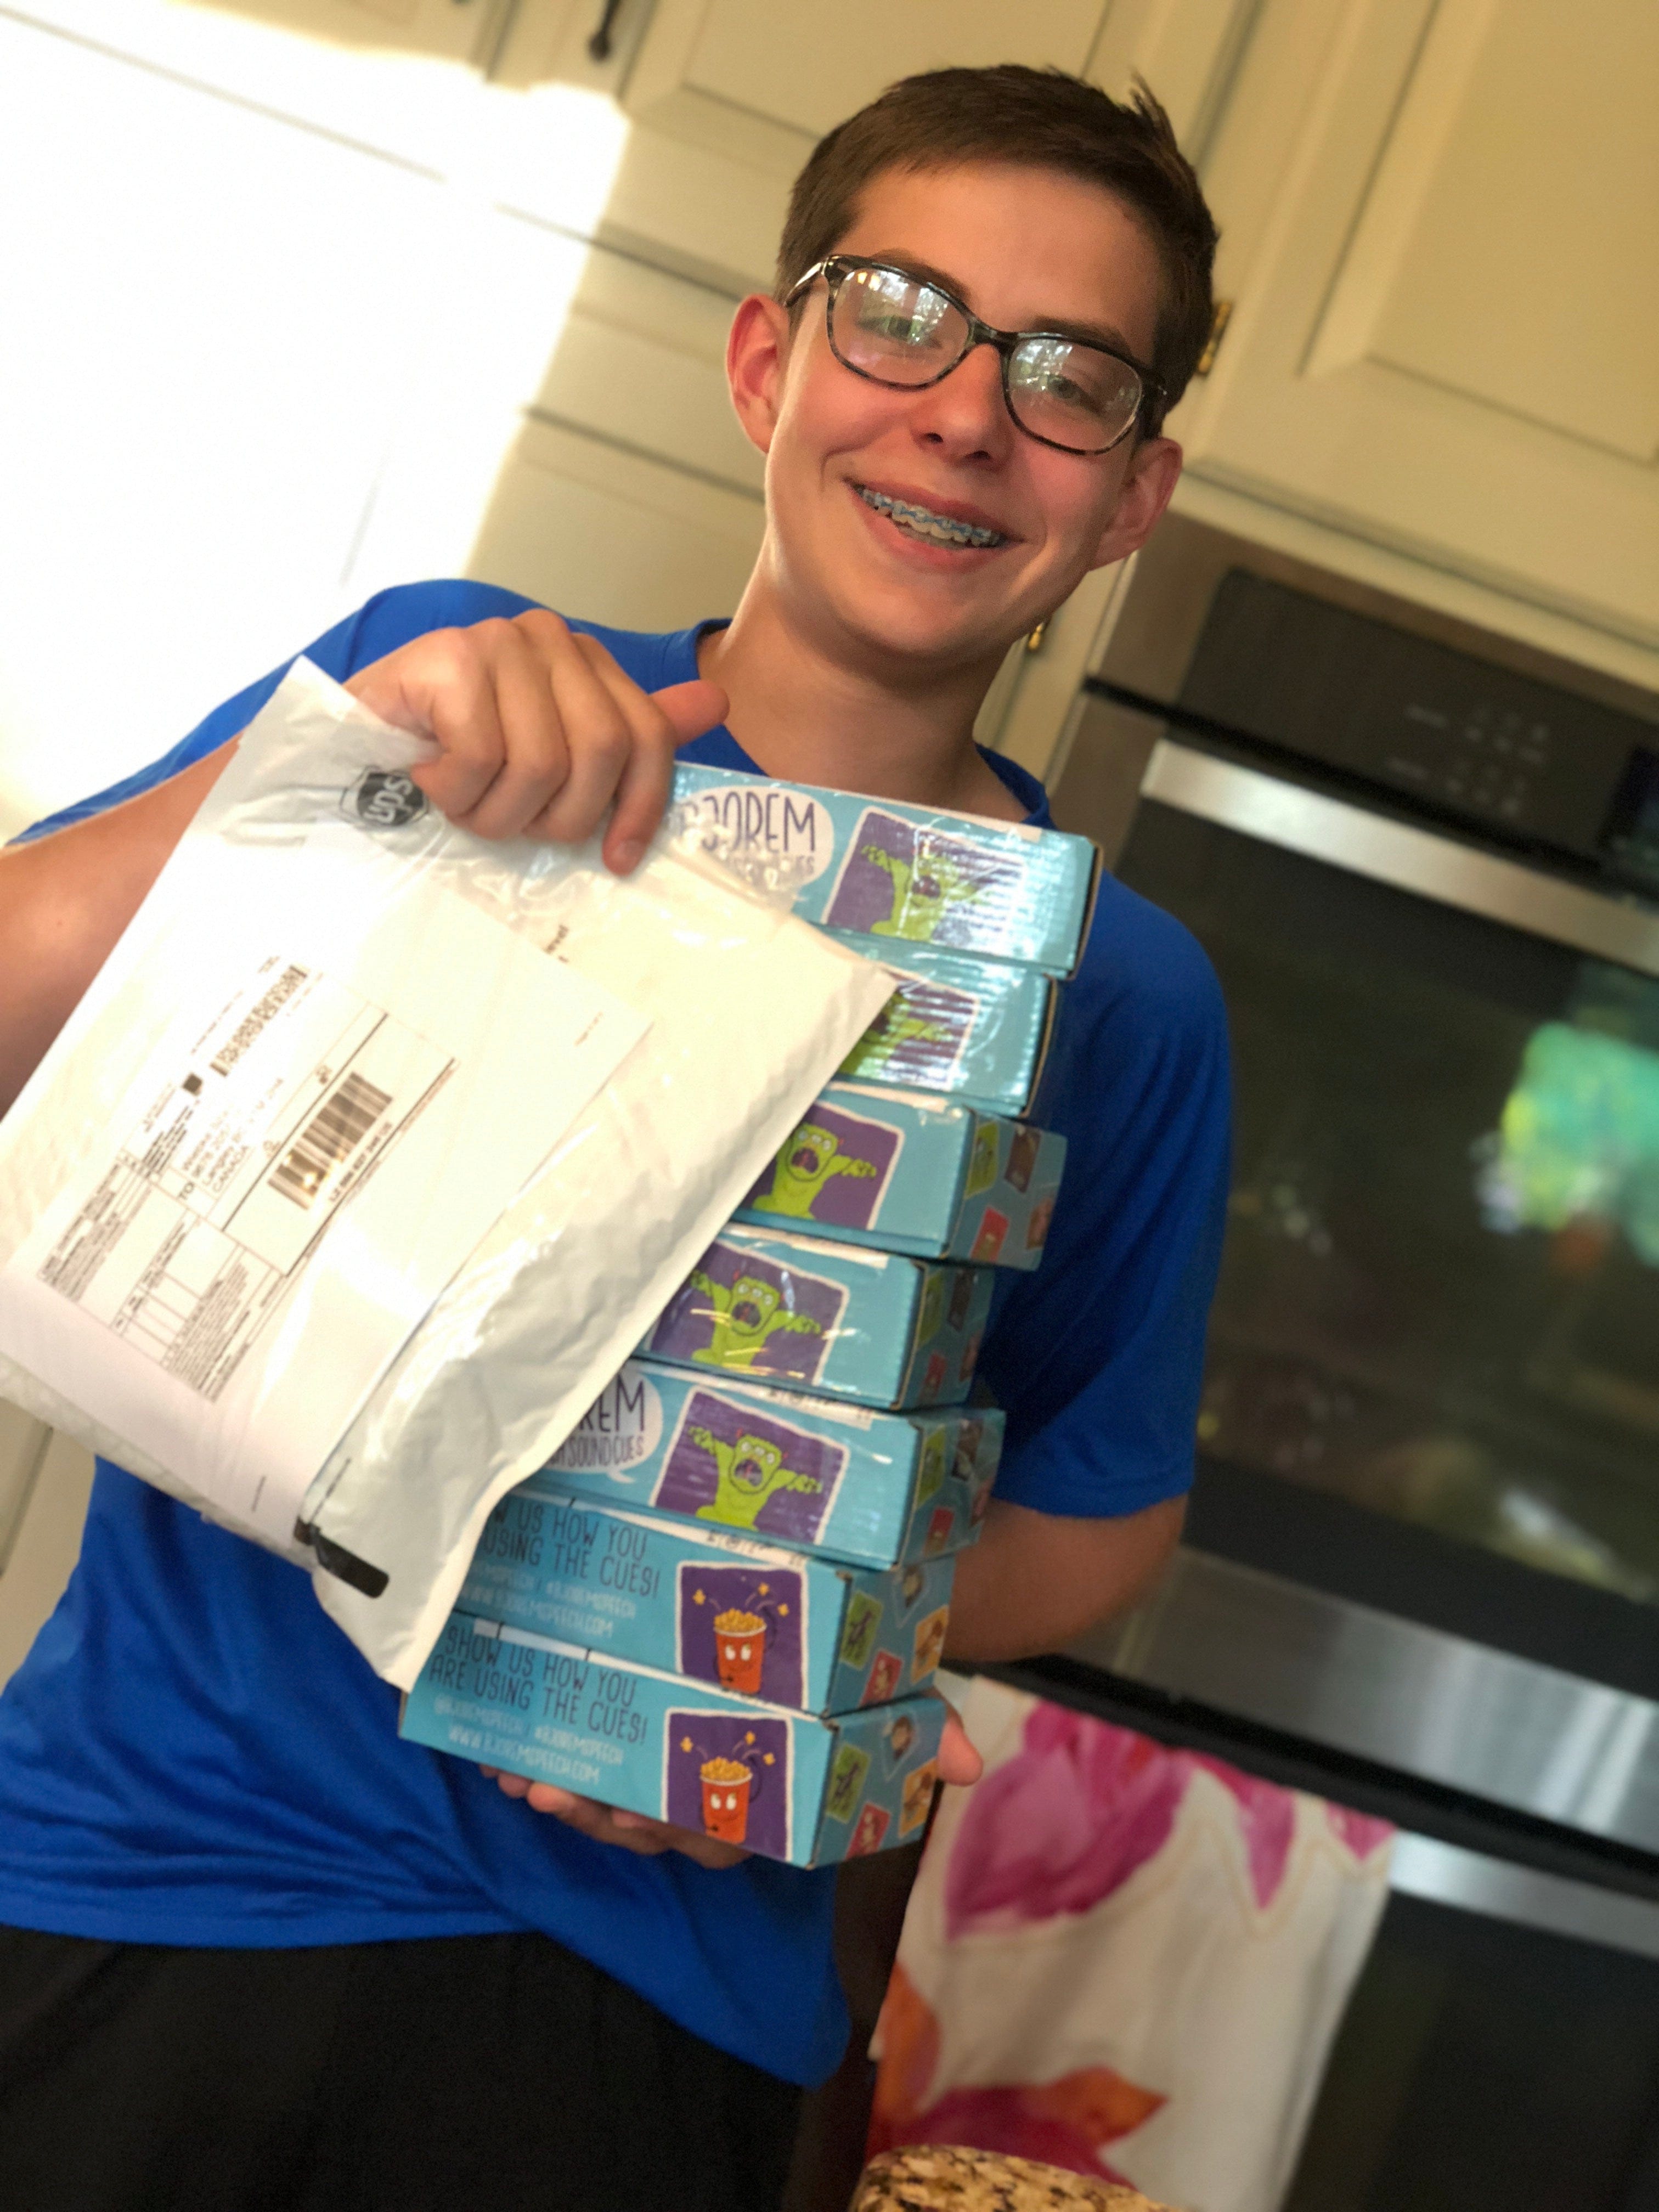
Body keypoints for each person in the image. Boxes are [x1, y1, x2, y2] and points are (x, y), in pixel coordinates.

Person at [0, 63, 1228, 2212]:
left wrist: (768, 1645)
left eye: (1067, 378)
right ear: (772, 359)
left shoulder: (1121, 998)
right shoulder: (434, 694)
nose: (963, 413)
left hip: (629, 2015)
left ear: (1131, 494)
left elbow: (1102, 1515)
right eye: (902, 316)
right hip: (147, 1861)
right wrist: (335, 776)